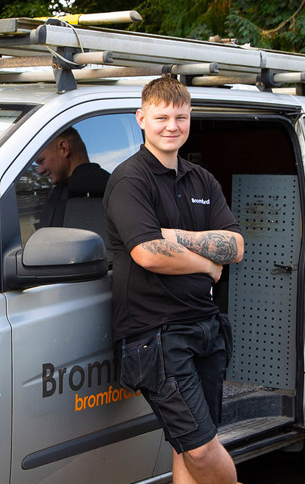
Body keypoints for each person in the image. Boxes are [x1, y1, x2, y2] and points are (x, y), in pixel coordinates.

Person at [104, 75, 244, 484]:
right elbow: (147, 253)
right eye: (161, 117)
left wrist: (173, 236)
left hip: (205, 325)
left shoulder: (201, 179)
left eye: (180, 117)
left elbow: (235, 245)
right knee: (200, 448)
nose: (171, 126)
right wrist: (206, 264)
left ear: (189, 120)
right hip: (158, 334)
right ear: (141, 119)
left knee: (188, 445)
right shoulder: (131, 180)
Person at [35, 127, 110, 228]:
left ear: (64, 149)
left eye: (42, 161)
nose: (40, 171)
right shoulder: (115, 188)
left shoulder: (67, 198)